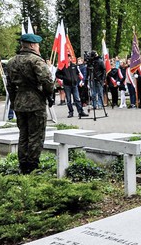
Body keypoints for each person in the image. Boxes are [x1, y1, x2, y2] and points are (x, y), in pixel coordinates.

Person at [6, 33, 53, 175]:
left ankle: (22, 165)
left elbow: (10, 86)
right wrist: (49, 94)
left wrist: (14, 102)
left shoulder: (11, 61)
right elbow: (46, 80)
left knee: (23, 135)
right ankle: (32, 167)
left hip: (19, 102)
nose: (38, 47)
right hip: (35, 102)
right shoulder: (36, 60)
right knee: (36, 136)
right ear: (32, 45)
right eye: (37, 45)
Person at [55, 54, 88, 118]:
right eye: (67, 58)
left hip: (74, 84)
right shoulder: (63, 66)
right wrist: (64, 77)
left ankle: (80, 111)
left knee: (77, 98)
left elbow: (78, 73)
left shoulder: (74, 66)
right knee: (69, 100)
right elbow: (57, 74)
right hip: (67, 85)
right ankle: (71, 112)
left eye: (70, 58)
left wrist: (77, 79)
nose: (69, 59)